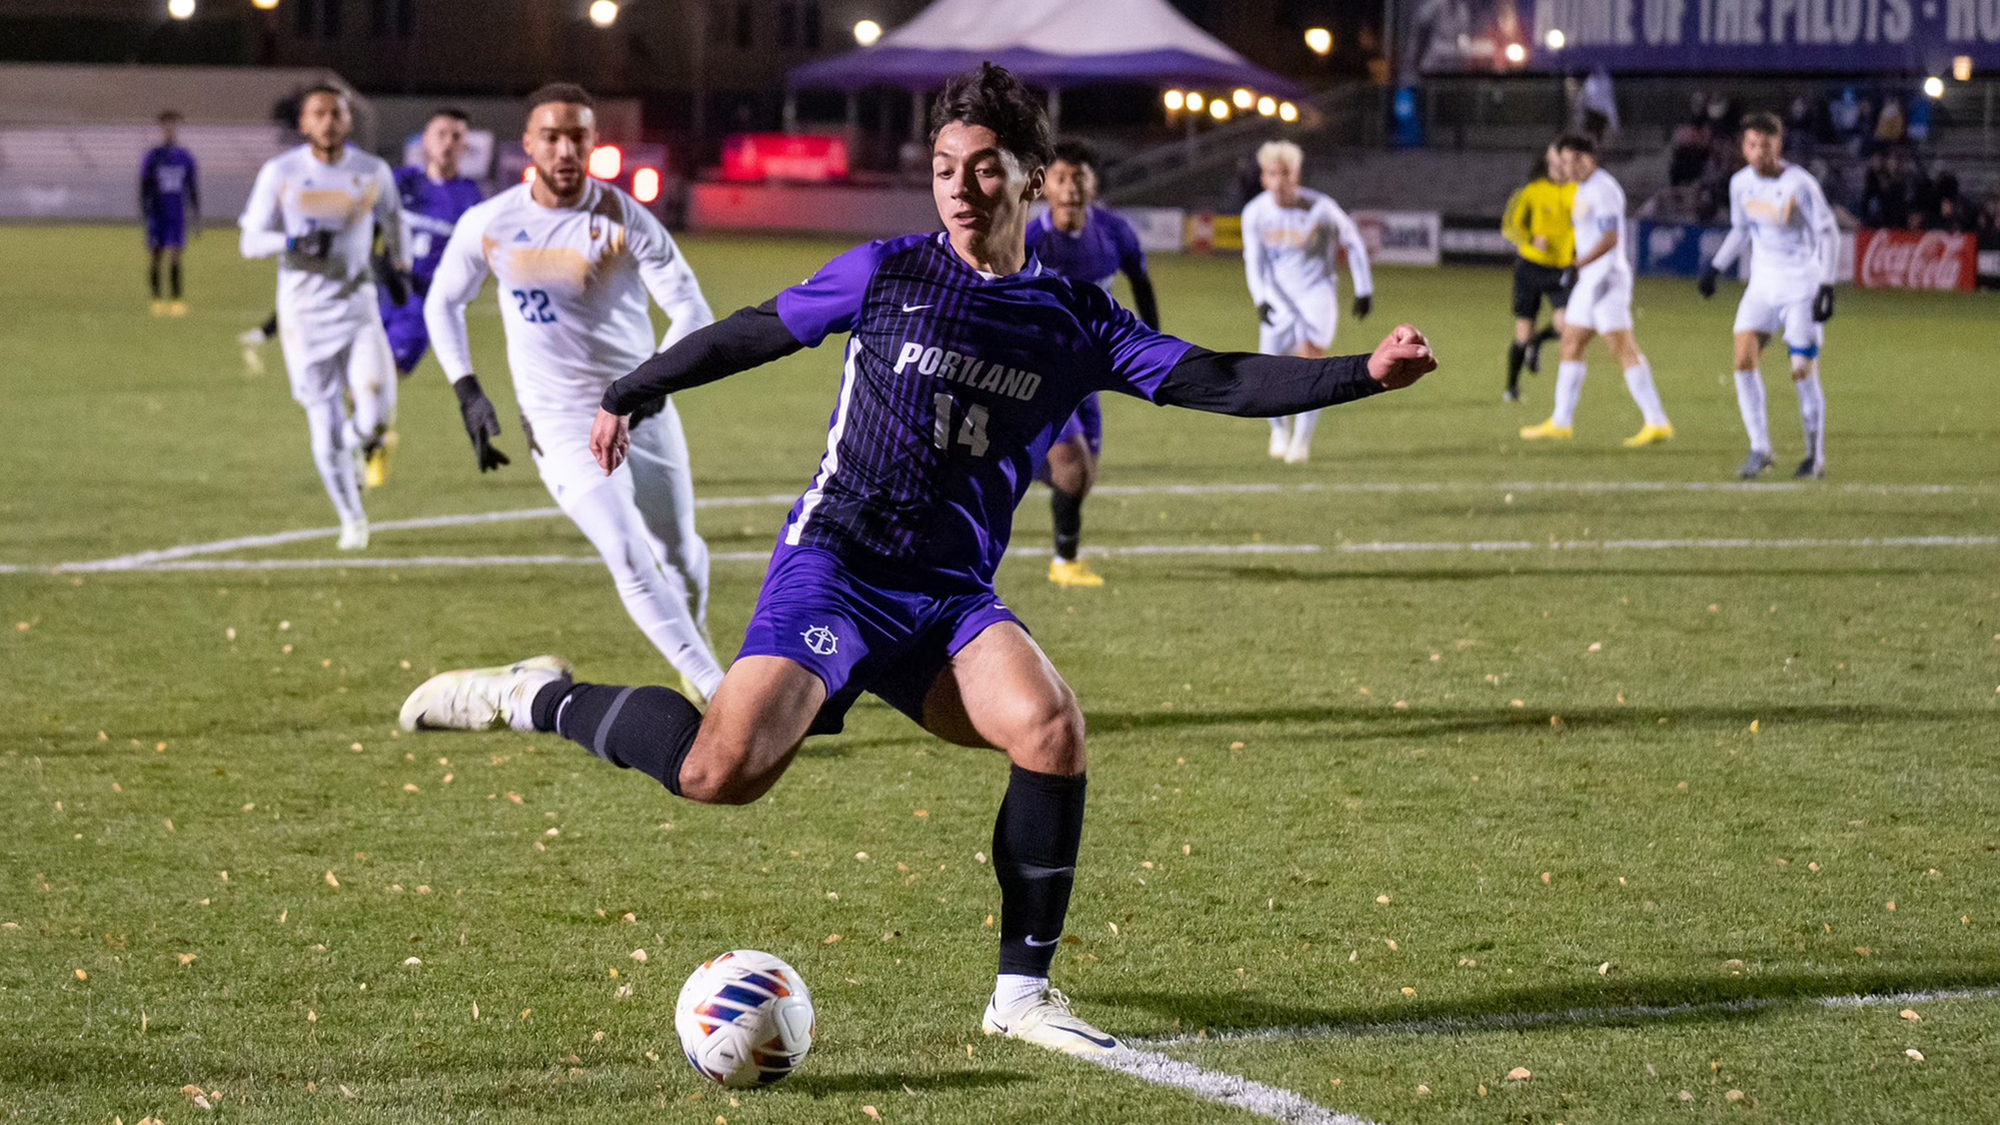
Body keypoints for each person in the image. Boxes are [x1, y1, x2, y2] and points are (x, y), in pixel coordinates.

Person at [398, 63, 1435, 1058]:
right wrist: (635, 387)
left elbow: (1212, 378)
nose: (959, 187)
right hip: (837, 566)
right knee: (723, 773)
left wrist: (1362, 376)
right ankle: (534, 697)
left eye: (983, 166)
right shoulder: (888, 272)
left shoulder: (1073, 320)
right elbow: (758, 331)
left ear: (1029, 175)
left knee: (1049, 728)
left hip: (943, 596)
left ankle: (1020, 997)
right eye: (943, 166)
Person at [423, 83, 727, 702]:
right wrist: (467, 389)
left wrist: (653, 380)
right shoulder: (491, 222)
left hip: (641, 407)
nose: (565, 149)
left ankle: (693, 642)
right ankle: (719, 690)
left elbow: (691, 305)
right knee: (625, 549)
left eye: (578, 136)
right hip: (560, 420)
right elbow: (442, 302)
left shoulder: (623, 216)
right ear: (529, 144)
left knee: (678, 549)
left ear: (593, 142)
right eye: (552, 137)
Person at [238, 85, 410, 550]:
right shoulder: (282, 172)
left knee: (376, 412)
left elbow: (395, 219)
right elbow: (249, 240)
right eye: (319, 113)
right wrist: (292, 243)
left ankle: (357, 448)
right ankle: (351, 519)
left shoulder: (372, 171)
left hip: (358, 307)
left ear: (348, 121)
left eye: (338, 112)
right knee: (324, 421)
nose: (329, 120)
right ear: (304, 124)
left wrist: (401, 262)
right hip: (303, 316)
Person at [1022, 141, 1160, 589]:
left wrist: (1154, 341)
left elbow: (1141, 280)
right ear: (1044, 186)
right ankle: (1063, 563)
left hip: (1088, 371)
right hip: (1036, 373)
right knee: (1074, 468)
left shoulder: (1114, 232)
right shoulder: (1028, 240)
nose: (1070, 188)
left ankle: (1029, 472)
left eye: (1079, 177)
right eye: (1061, 178)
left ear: (1093, 183)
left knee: (1083, 476)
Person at [1698, 113, 1839, 479]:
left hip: (1801, 287)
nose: (1759, 151)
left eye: (1766, 144)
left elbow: (1828, 233)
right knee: (1743, 361)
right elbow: (1740, 230)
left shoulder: (1800, 184)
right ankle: (1760, 447)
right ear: (1743, 147)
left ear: (1780, 144)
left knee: (1801, 371)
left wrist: (1826, 285)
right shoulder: (1740, 184)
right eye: (1752, 144)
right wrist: (1716, 266)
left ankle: (1815, 456)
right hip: (1762, 285)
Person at [360, 107, 487, 487]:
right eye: (441, 134)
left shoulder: (470, 198)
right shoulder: (402, 183)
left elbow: (476, 259)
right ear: (425, 141)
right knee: (359, 383)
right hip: (379, 296)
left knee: (380, 380)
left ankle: (374, 442)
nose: (449, 142)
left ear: (465, 146)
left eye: (457, 136)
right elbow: (366, 225)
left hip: (423, 307)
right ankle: (375, 438)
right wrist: (376, 262)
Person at [1520, 133, 1673, 447]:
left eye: (1569, 160)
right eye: (1562, 161)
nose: (1566, 167)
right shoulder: (1585, 188)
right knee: (1571, 343)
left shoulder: (1603, 190)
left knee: (1622, 348)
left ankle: (1657, 421)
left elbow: (1610, 239)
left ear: (1586, 158)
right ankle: (1561, 421)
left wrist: (1578, 262)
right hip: (1591, 279)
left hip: (1607, 280)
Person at [1240, 140, 1373, 464]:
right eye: (1273, 173)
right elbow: (1253, 261)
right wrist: (1261, 299)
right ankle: (1279, 429)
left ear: (1297, 174)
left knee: (1311, 368)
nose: (1280, 180)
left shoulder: (1321, 208)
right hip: (1278, 301)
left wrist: (1363, 289)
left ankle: (1301, 442)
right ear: (1263, 178)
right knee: (1266, 375)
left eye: (1286, 173)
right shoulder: (1255, 213)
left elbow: (1353, 241)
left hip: (1317, 296)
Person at [1499, 143, 1574, 401]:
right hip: (1530, 268)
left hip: (1561, 269)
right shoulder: (1531, 192)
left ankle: (1539, 342)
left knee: (1567, 325)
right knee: (1522, 334)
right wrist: (1531, 239)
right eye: (1554, 161)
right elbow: (1509, 227)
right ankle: (1511, 388)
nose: (1558, 165)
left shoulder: (1579, 192)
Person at [140, 111, 199, 317]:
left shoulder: (185, 157)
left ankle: (176, 300)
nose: (170, 131)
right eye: (166, 127)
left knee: (175, 257)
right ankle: (156, 299)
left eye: (173, 127)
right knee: (156, 257)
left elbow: (192, 187)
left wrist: (196, 214)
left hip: (176, 215)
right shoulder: (153, 156)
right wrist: (144, 210)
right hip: (158, 214)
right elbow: (144, 185)